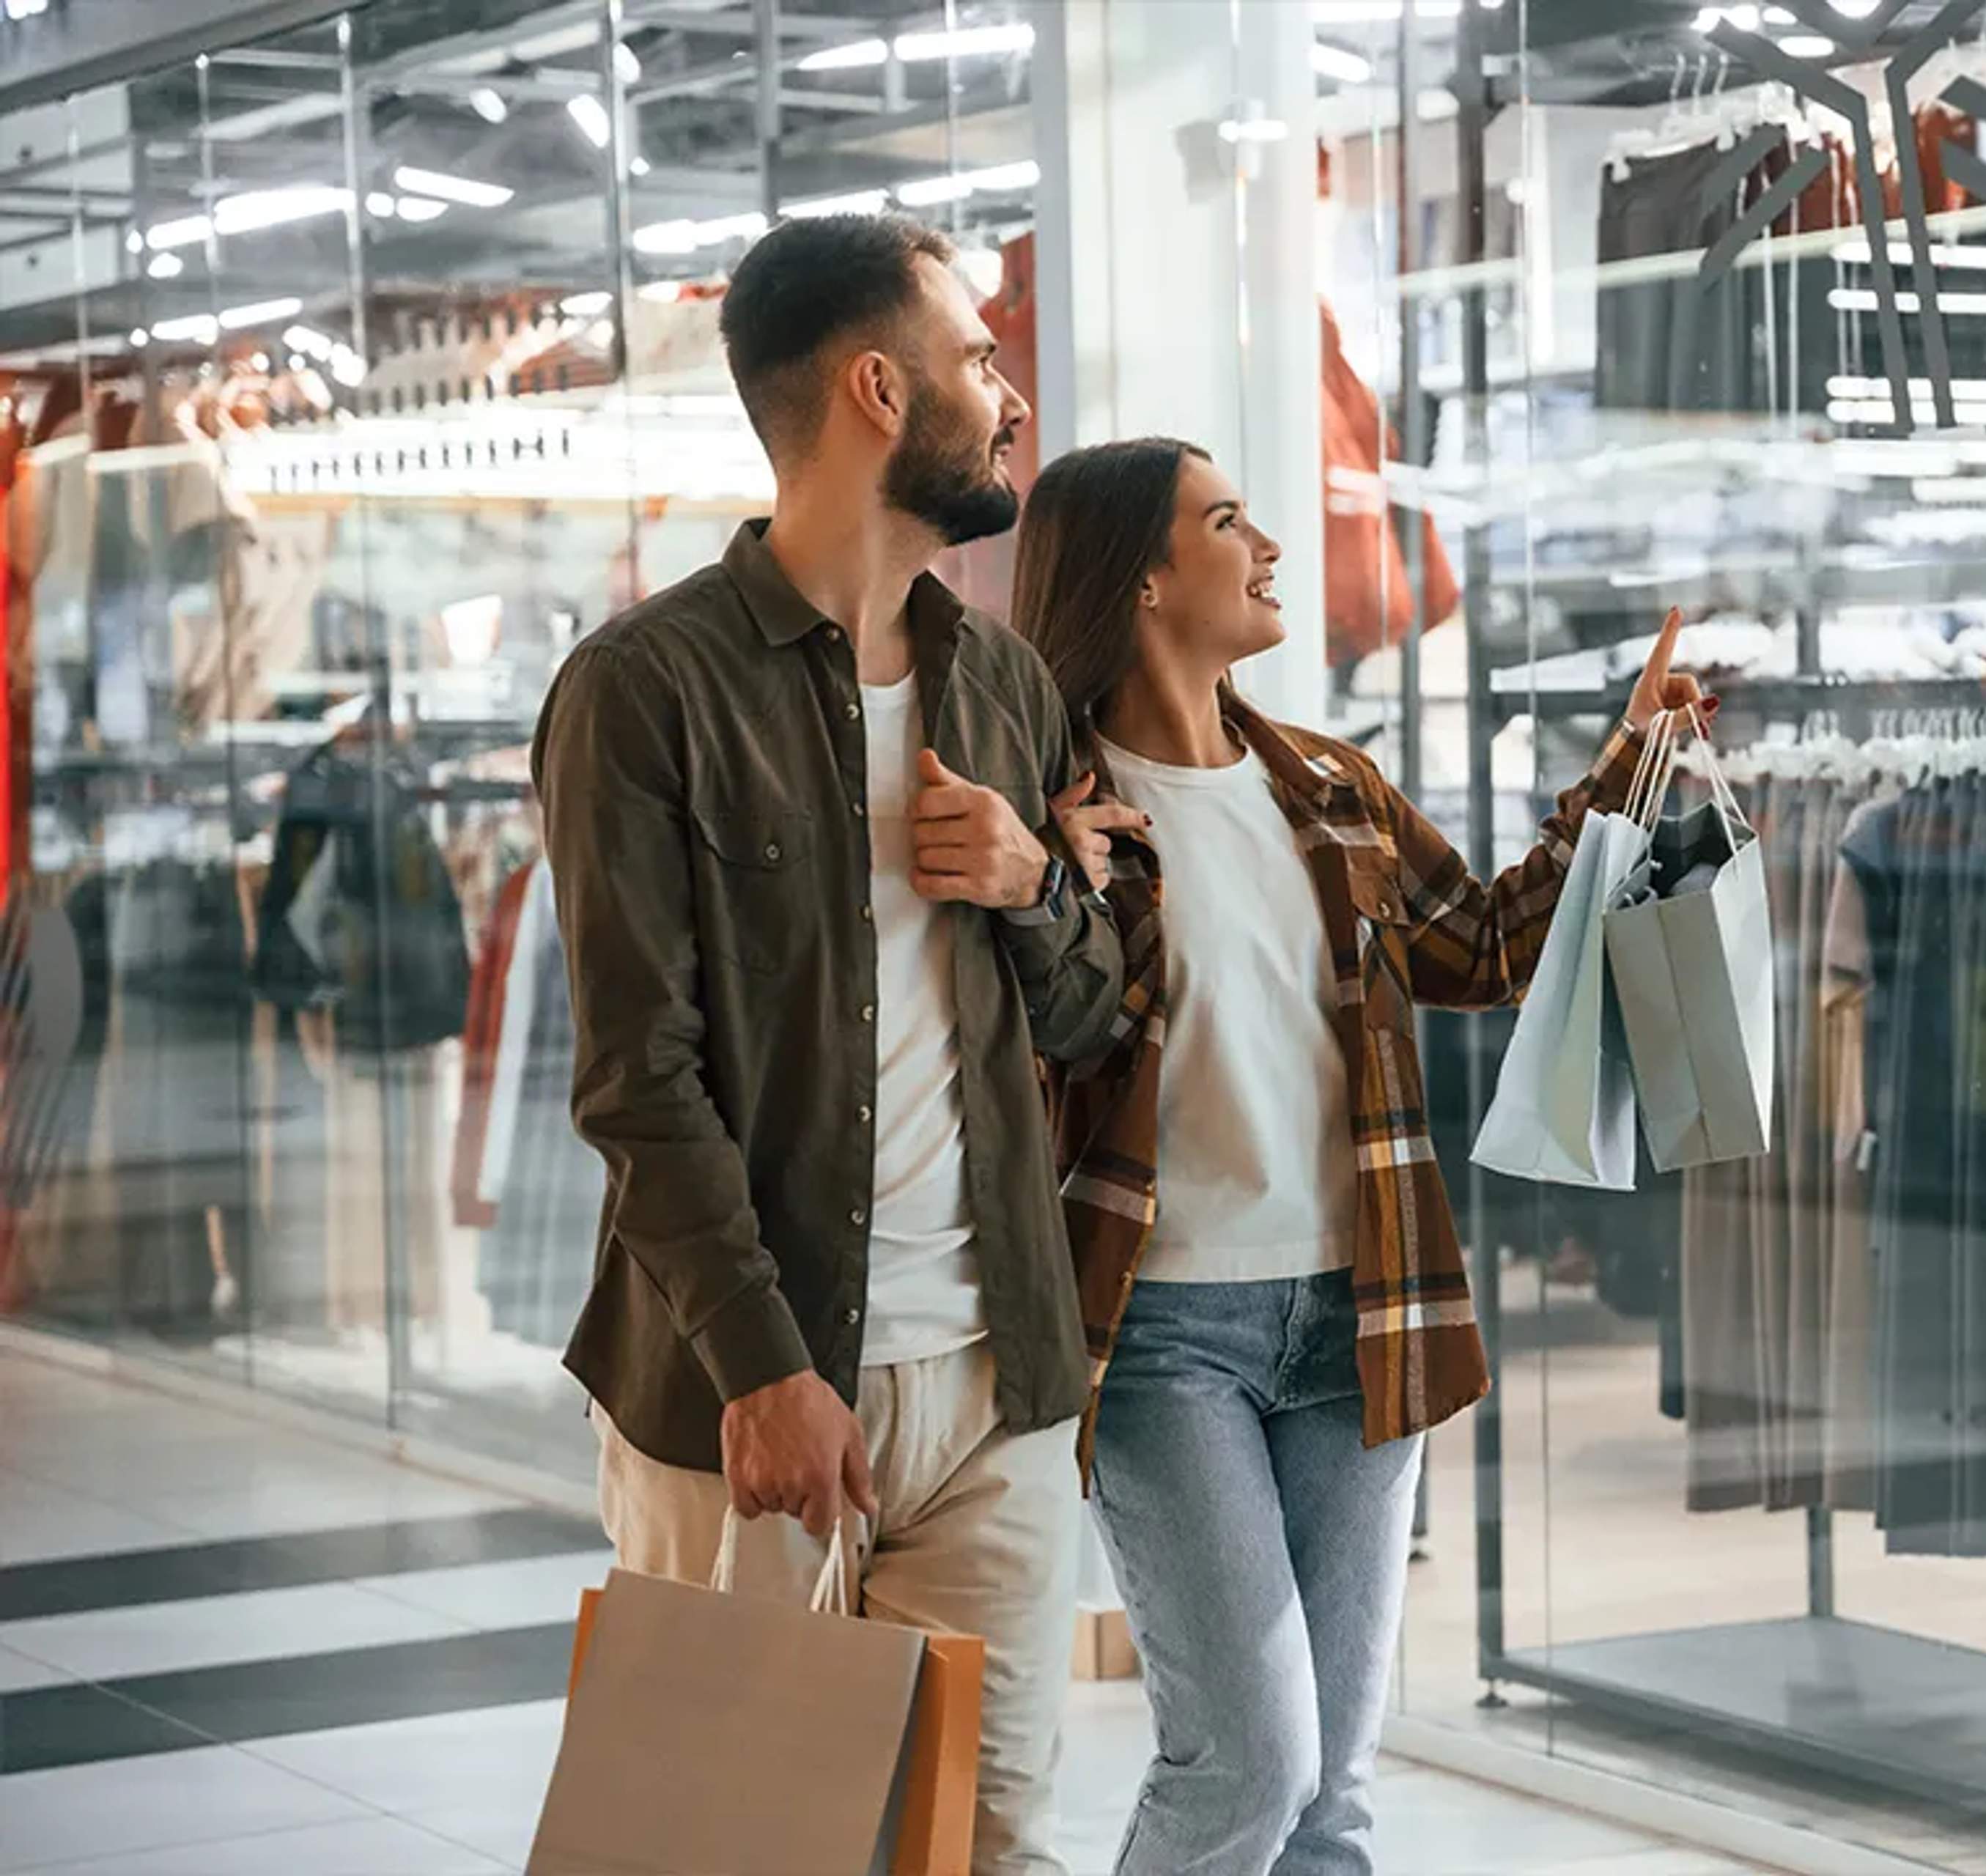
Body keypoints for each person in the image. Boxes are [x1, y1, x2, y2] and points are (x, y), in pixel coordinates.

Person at [1014, 437, 1705, 1875]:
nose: (1268, 542)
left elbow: (1489, 942)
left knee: (1334, 1794)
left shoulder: (1326, 788)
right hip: (1161, 1334)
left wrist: (1628, 769)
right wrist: (1033, 877)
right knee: (1247, 1767)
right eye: (1225, 519)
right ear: (1142, 577)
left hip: (1360, 1310)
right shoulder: (1062, 820)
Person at [532, 214, 1121, 1876]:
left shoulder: (999, 681)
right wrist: (761, 1364)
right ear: (879, 387)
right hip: (749, 1394)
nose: (1007, 397)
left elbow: (1089, 1013)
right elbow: (636, 1080)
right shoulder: (644, 690)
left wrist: (1028, 886)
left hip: (993, 1385)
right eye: (980, 357)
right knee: (731, 1849)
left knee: (992, 1843)